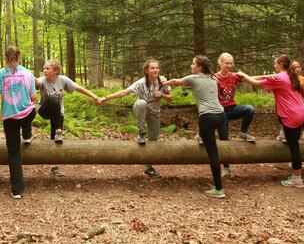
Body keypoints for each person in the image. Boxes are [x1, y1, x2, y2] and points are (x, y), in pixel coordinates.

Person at [239, 55, 304, 188]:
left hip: (291, 115)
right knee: (294, 144)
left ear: (281, 64)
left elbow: (255, 83)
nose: (274, 66)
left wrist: (243, 74)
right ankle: (296, 173)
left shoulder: (279, 78)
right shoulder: (289, 74)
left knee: (294, 146)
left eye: (275, 63)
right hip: (302, 112)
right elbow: (264, 77)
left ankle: (297, 179)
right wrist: (247, 76)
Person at [163, 55, 226, 198]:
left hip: (208, 117)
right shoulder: (213, 78)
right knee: (205, 134)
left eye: (193, 64)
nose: (191, 66)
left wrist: (162, 82)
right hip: (221, 116)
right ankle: (202, 136)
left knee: (213, 154)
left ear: (199, 67)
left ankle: (219, 189)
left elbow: (174, 82)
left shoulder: (193, 78)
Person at [101, 59, 172, 178]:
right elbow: (124, 92)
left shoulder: (163, 81)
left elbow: (171, 98)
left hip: (155, 112)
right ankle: (141, 132)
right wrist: (106, 98)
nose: (155, 70)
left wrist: (162, 95)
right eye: (152, 68)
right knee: (141, 103)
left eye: (157, 68)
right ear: (146, 70)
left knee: (153, 141)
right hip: (141, 109)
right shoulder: (140, 83)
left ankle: (149, 168)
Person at [36, 59, 103, 177]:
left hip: (57, 114)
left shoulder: (63, 80)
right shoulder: (42, 80)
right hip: (44, 110)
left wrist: (95, 97)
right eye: (44, 68)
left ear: (56, 71)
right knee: (55, 101)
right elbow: (36, 84)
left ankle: (54, 166)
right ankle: (58, 130)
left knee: (56, 139)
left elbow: (79, 88)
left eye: (48, 68)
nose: (44, 70)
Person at [0, 46, 37, 199]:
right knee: (31, 111)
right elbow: (33, 97)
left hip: (9, 117)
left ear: (5, 56)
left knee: (13, 152)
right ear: (19, 56)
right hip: (26, 114)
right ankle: (27, 133)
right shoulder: (28, 73)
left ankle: (17, 190)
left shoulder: (0, 73)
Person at [215, 52, 256, 177]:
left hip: (232, 108)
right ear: (220, 63)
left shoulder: (234, 76)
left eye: (231, 63)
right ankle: (226, 168)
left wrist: (244, 74)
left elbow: (254, 79)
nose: (229, 65)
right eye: (226, 63)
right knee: (224, 140)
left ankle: (243, 133)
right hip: (220, 113)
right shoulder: (214, 78)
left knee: (249, 109)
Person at [277, 60, 304, 144]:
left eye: (298, 67)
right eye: (294, 68)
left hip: (300, 104)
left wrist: (300, 87)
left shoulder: (302, 79)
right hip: (288, 104)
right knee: (279, 106)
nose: (297, 69)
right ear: (290, 69)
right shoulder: (286, 78)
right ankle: (283, 131)